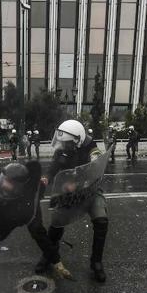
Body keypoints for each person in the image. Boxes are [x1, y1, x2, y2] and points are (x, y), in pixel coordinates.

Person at [31, 120, 109, 282]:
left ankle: (96, 262)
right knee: (56, 223)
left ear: (78, 140)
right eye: (62, 143)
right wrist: (46, 178)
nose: (63, 146)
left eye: (66, 143)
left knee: (101, 221)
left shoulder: (91, 147)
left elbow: (96, 168)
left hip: (90, 189)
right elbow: (54, 166)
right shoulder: (63, 149)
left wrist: (80, 182)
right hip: (69, 191)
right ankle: (49, 255)